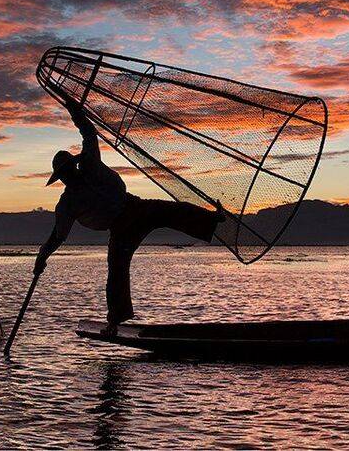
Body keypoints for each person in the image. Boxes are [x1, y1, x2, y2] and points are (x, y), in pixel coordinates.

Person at [33, 94, 224, 334]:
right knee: (117, 269)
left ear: (73, 166)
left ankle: (212, 219)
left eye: (69, 168)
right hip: (120, 227)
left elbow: (88, 133)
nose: (69, 172)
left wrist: (74, 108)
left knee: (171, 211)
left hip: (134, 207)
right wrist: (42, 257)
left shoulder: (90, 165)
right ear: (62, 177)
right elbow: (58, 236)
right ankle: (114, 322)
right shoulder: (67, 204)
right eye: (65, 171)